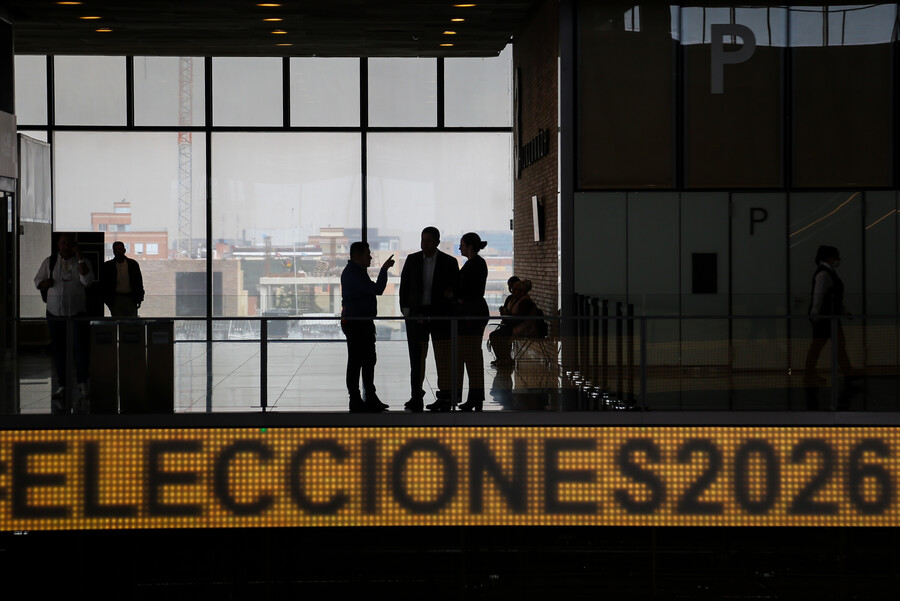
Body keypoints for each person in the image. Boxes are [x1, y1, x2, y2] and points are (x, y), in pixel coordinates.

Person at [399, 226, 460, 412]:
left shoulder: (449, 262)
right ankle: (416, 396)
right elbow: (404, 288)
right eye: (422, 240)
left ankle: (445, 397)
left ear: (437, 242)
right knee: (416, 359)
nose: (424, 244)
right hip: (416, 316)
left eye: (428, 240)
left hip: (440, 316)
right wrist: (407, 313)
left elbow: (456, 289)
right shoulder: (412, 260)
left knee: (443, 358)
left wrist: (450, 308)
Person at [34, 233, 96, 412]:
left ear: (74, 245)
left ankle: (82, 382)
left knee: (81, 348)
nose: (66, 246)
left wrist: (79, 257)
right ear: (58, 245)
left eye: (69, 243)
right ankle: (62, 385)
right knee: (59, 350)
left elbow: (87, 281)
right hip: (55, 312)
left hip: (77, 312)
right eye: (63, 243)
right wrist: (46, 283)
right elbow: (37, 282)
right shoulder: (50, 262)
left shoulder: (83, 261)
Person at [341, 242, 395, 412]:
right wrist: (384, 269)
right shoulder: (355, 273)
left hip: (358, 322)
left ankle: (362, 398)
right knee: (361, 361)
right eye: (367, 254)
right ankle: (360, 398)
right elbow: (377, 289)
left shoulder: (354, 272)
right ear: (358, 256)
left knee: (362, 360)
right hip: (358, 323)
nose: (370, 257)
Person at [804, 245, 854, 385]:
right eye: (836, 256)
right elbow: (818, 297)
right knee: (820, 346)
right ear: (829, 257)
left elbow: (832, 298)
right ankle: (810, 374)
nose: (838, 259)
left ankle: (847, 372)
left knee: (835, 344)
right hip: (825, 317)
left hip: (828, 316)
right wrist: (815, 316)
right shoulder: (824, 274)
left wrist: (843, 311)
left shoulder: (828, 273)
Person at [456, 232, 490, 411]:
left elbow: (467, 289)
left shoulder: (474, 264)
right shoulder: (477, 263)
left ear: (469, 246)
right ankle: (475, 397)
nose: (459, 247)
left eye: (461, 244)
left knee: (472, 357)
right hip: (475, 313)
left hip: (472, 314)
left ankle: (475, 397)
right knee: (472, 356)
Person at [101, 241, 145, 317]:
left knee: (130, 321)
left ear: (124, 250)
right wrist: (107, 300)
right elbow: (104, 284)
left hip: (130, 298)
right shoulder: (108, 266)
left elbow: (138, 282)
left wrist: (139, 298)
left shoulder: (133, 264)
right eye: (116, 250)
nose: (118, 252)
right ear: (113, 251)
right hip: (116, 299)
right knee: (122, 321)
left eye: (120, 249)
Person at [489, 275, 521, 367]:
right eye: (509, 287)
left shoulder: (520, 300)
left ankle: (504, 359)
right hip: (508, 325)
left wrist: (506, 313)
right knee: (497, 335)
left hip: (514, 327)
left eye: (512, 287)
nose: (511, 289)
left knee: (496, 336)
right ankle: (502, 358)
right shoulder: (510, 299)